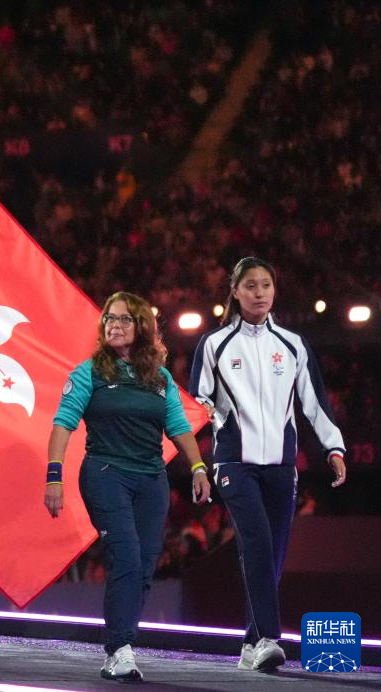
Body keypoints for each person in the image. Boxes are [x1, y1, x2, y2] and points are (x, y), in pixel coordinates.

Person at [190, 257, 346, 672]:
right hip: (233, 463)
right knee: (257, 541)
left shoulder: (293, 344)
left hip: (280, 465)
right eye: (250, 286)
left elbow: (314, 402)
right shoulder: (215, 344)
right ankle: (267, 639)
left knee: (272, 556)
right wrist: (198, 439)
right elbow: (196, 401)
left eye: (265, 285)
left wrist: (334, 448)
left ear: (274, 291)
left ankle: (249, 643)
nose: (259, 293)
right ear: (235, 291)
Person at [44, 291, 211, 682]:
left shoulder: (160, 378)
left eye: (123, 319)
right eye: (109, 319)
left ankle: (121, 646)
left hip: (151, 480)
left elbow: (178, 426)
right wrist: (54, 476)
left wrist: (199, 466)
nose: (114, 325)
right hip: (106, 474)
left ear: (142, 327)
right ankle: (119, 648)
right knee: (127, 558)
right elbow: (63, 424)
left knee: (145, 565)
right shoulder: (89, 373)